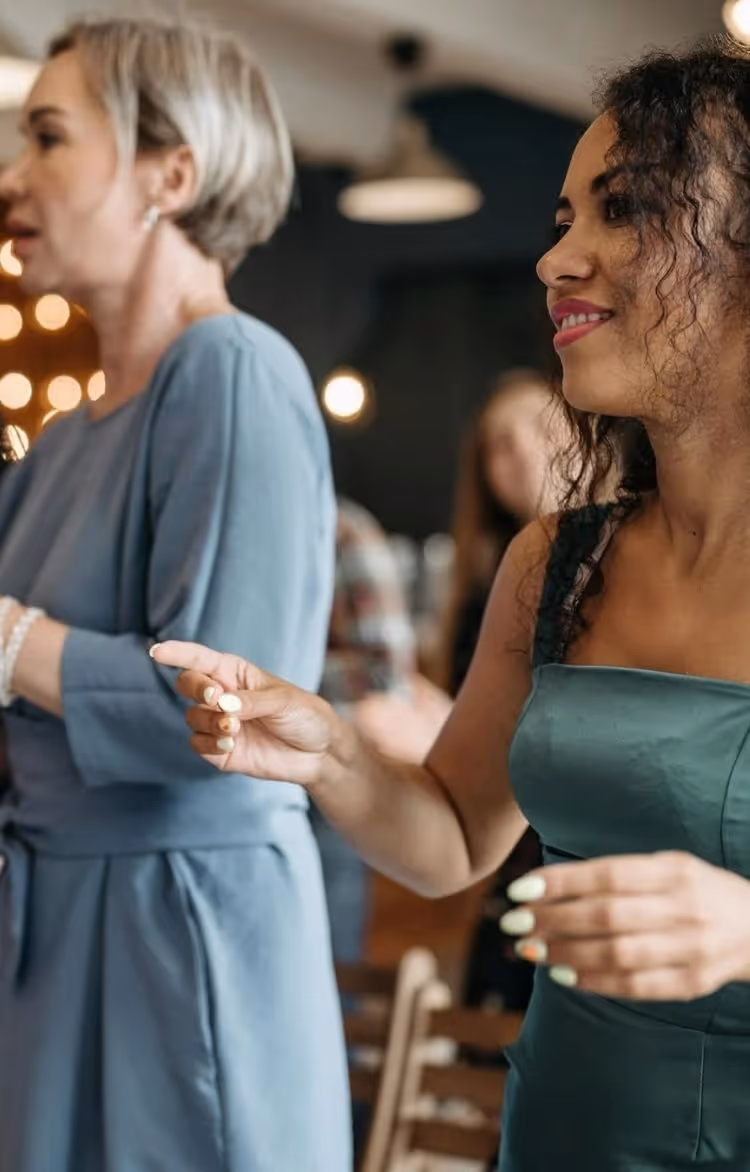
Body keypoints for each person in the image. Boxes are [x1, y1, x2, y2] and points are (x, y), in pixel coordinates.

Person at [153, 38, 750, 1171]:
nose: (557, 260)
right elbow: (454, 838)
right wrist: (329, 751)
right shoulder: (554, 565)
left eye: (619, 210)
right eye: (561, 220)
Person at [0, 17, 349, 1172]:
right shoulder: (55, 448)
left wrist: (12, 643)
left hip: (179, 930)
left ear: (173, 171)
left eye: (47, 136)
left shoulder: (234, 370)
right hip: (55, 929)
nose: (11, 175)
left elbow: (223, 709)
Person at [354, 372, 566, 1011]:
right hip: (502, 861)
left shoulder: (612, 573)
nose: (521, 452)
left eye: (538, 428)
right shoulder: (487, 588)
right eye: (497, 444)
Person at [311, 496, 415, 965]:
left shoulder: (343, 531)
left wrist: (275, 676)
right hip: (239, 777)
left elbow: (384, 670)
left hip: (327, 764)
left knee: (331, 959)